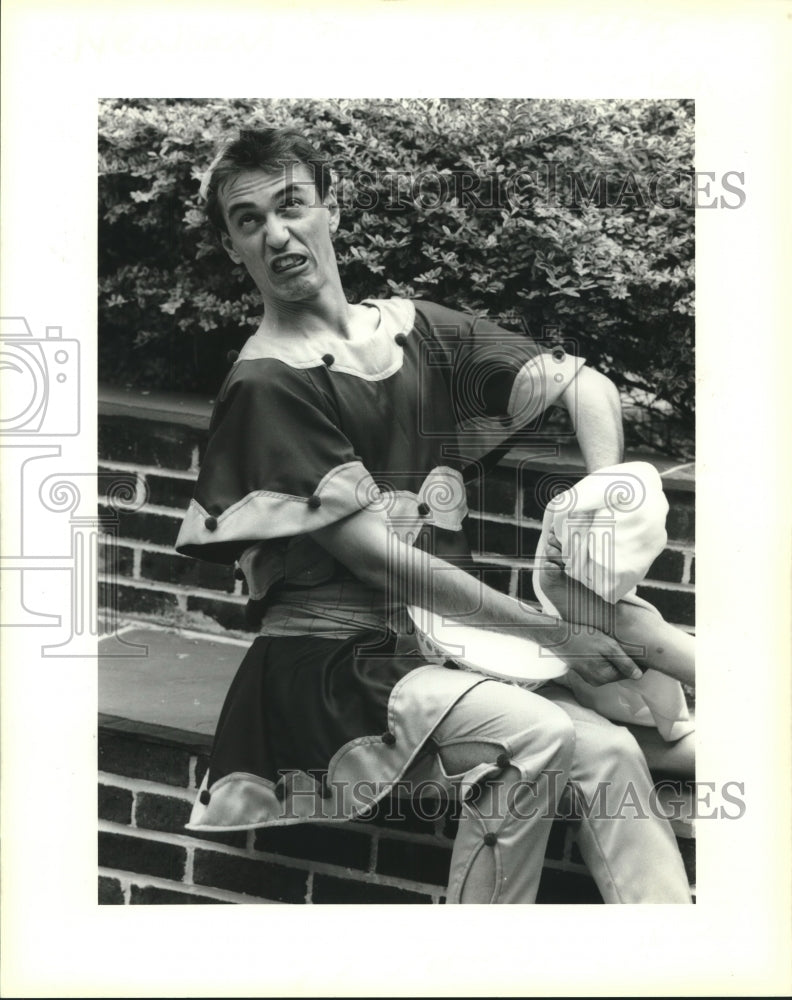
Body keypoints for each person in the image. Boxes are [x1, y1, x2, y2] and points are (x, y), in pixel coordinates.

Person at [175, 126, 692, 903]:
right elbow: (381, 560)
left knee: (611, 751)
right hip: (331, 668)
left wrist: (603, 513)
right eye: (250, 221)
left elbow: (580, 385)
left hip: (434, 651)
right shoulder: (266, 384)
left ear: (333, 212)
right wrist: (558, 632)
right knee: (537, 735)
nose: (278, 233)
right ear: (233, 246)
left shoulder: (415, 331)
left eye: (293, 205)